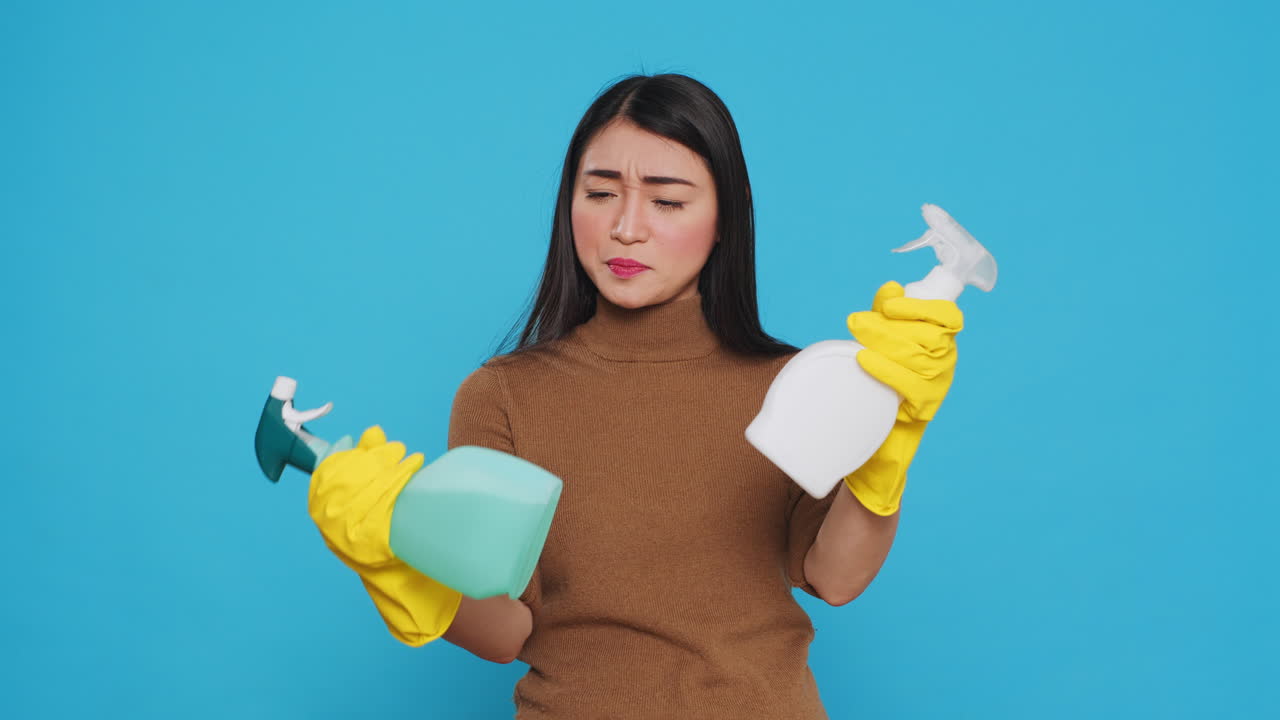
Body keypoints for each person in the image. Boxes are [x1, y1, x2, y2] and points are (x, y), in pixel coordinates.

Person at [308, 72, 963, 719]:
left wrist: (888, 446)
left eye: (667, 201)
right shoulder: (502, 396)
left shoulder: (792, 383)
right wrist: (400, 554)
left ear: (725, 213)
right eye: (600, 193)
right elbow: (507, 631)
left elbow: (836, 577)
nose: (626, 228)